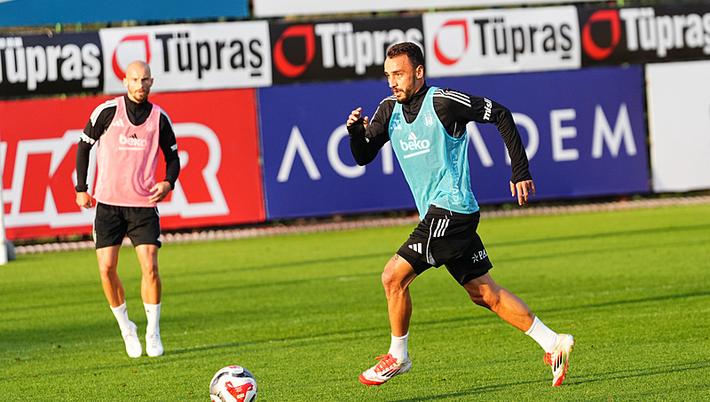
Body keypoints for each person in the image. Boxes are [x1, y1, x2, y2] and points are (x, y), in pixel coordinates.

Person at [347, 42, 574, 387]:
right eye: (388, 75)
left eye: (399, 74)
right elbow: (363, 156)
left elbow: (501, 114)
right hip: (445, 215)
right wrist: (354, 134)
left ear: (418, 72)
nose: (392, 81)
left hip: (451, 210)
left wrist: (520, 171)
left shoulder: (443, 102)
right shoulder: (388, 109)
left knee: (393, 277)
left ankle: (399, 355)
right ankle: (553, 342)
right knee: (484, 293)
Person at [74, 60, 180, 358]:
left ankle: (153, 331)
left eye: (145, 79)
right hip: (108, 205)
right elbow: (84, 146)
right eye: (135, 79)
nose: (140, 85)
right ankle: (127, 329)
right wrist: (81, 188)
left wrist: (168, 183)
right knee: (106, 270)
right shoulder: (107, 111)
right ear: (125, 81)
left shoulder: (159, 118)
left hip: (143, 205)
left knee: (151, 267)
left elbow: (173, 157)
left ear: (151, 81)